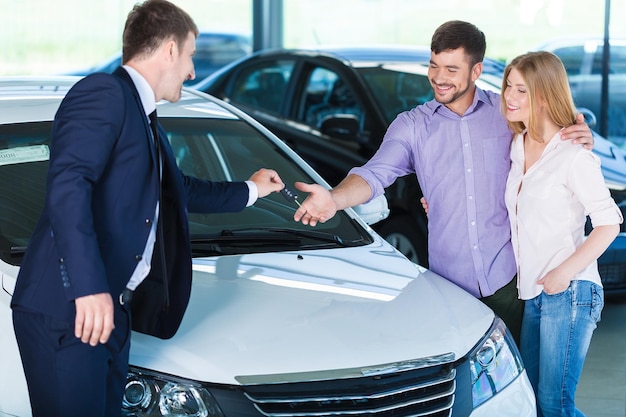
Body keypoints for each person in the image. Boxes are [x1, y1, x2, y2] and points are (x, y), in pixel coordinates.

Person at [10, 1, 284, 416]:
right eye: (191, 55)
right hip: (68, 309)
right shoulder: (103, 93)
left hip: (111, 310)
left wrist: (251, 190)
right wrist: (87, 288)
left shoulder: (144, 115)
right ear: (170, 50)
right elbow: (69, 186)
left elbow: (178, 191)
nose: (193, 71)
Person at [293, 20, 593, 345]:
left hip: (512, 284)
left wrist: (579, 135)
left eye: (451, 69)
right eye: (434, 65)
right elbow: (373, 173)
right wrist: (335, 199)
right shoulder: (412, 126)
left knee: (520, 390)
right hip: (449, 291)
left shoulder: (508, 114)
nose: (439, 77)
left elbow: (555, 141)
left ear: (476, 71)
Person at [502, 51, 621, 417]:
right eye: (508, 86)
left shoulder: (573, 155)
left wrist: (563, 273)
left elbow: (609, 223)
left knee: (556, 404)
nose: (509, 96)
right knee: (535, 404)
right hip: (533, 292)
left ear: (543, 95)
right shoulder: (518, 146)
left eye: (521, 90)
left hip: (570, 292)